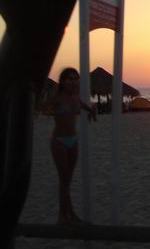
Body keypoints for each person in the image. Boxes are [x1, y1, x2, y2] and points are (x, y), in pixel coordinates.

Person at [40, 68, 96, 225]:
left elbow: (81, 104)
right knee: (63, 180)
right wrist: (48, 105)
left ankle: (64, 215)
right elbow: (40, 105)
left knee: (67, 181)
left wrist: (91, 110)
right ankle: (66, 215)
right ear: (62, 81)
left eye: (75, 78)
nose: (73, 81)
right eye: (69, 79)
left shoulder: (75, 96)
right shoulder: (57, 97)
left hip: (73, 140)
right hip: (59, 142)